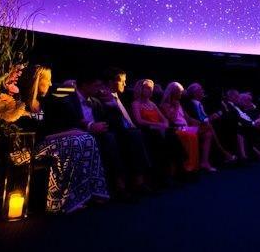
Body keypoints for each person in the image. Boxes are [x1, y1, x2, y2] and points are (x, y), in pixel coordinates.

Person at [17, 65, 109, 213]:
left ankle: (90, 191)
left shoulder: (44, 102)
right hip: (31, 146)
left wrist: (72, 132)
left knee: (86, 138)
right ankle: (62, 199)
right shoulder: (21, 104)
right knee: (77, 140)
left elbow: (53, 127)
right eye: (48, 80)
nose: (51, 84)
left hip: (47, 141)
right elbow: (38, 134)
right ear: (37, 81)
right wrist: (71, 133)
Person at [43, 71, 134, 200]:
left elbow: (110, 121)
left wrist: (112, 104)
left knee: (127, 135)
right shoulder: (68, 98)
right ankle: (118, 186)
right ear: (85, 85)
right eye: (96, 86)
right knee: (108, 139)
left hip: (97, 134)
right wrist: (90, 126)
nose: (99, 89)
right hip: (77, 135)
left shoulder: (96, 101)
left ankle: (132, 182)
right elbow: (68, 121)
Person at [130, 78, 186, 183]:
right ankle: (163, 175)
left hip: (159, 129)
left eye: (151, 88)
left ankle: (179, 170)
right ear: (140, 89)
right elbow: (139, 121)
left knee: (172, 134)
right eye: (147, 88)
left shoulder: (152, 104)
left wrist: (164, 124)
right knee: (161, 136)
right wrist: (157, 124)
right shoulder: (135, 104)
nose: (150, 90)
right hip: (148, 130)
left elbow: (164, 119)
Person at [160, 82, 215, 173]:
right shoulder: (165, 105)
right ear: (172, 92)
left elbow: (188, 118)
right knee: (207, 131)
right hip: (177, 129)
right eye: (178, 92)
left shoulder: (179, 104)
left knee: (208, 131)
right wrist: (176, 107)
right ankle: (198, 163)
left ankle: (203, 162)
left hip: (186, 127)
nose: (180, 94)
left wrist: (200, 123)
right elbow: (172, 119)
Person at [183, 83, 236, 163]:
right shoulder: (189, 104)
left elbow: (204, 118)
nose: (203, 91)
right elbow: (194, 121)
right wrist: (209, 119)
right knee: (210, 128)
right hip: (191, 127)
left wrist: (210, 117)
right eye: (200, 90)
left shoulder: (202, 103)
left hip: (204, 125)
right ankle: (224, 153)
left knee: (217, 128)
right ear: (195, 93)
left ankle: (222, 156)